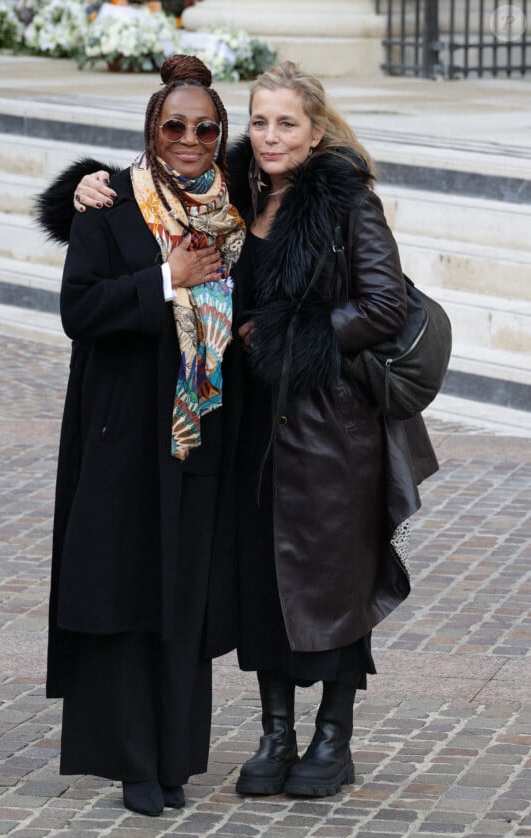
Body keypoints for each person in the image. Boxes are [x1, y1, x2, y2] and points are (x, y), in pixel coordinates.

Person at [40, 61, 438, 801]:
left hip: (327, 428)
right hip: (247, 429)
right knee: (262, 584)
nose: (269, 135)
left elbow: (383, 307)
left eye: (286, 122)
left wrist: (291, 338)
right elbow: (146, 187)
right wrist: (81, 187)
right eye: (259, 121)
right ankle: (276, 732)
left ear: (315, 131)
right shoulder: (235, 188)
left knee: (333, 579)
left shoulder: (344, 203)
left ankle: (331, 738)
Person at [36, 54, 246, 817]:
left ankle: (176, 756)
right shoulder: (110, 205)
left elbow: (304, 154)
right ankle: (132, 763)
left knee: (182, 599)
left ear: (221, 135)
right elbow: (79, 312)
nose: (189, 138)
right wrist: (166, 281)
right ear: (151, 131)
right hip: (123, 433)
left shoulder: (232, 207)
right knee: (126, 590)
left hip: (199, 437)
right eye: (175, 125)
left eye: (204, 127)